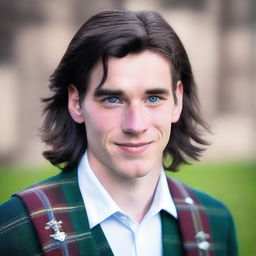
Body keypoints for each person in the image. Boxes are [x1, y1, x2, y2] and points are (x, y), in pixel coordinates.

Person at [0, 9, 238, 256]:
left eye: (153, 97)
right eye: (113, 99)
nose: (136, 125)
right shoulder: (16, 227)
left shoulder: (215, 224)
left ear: (177, 101)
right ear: (76, 102)